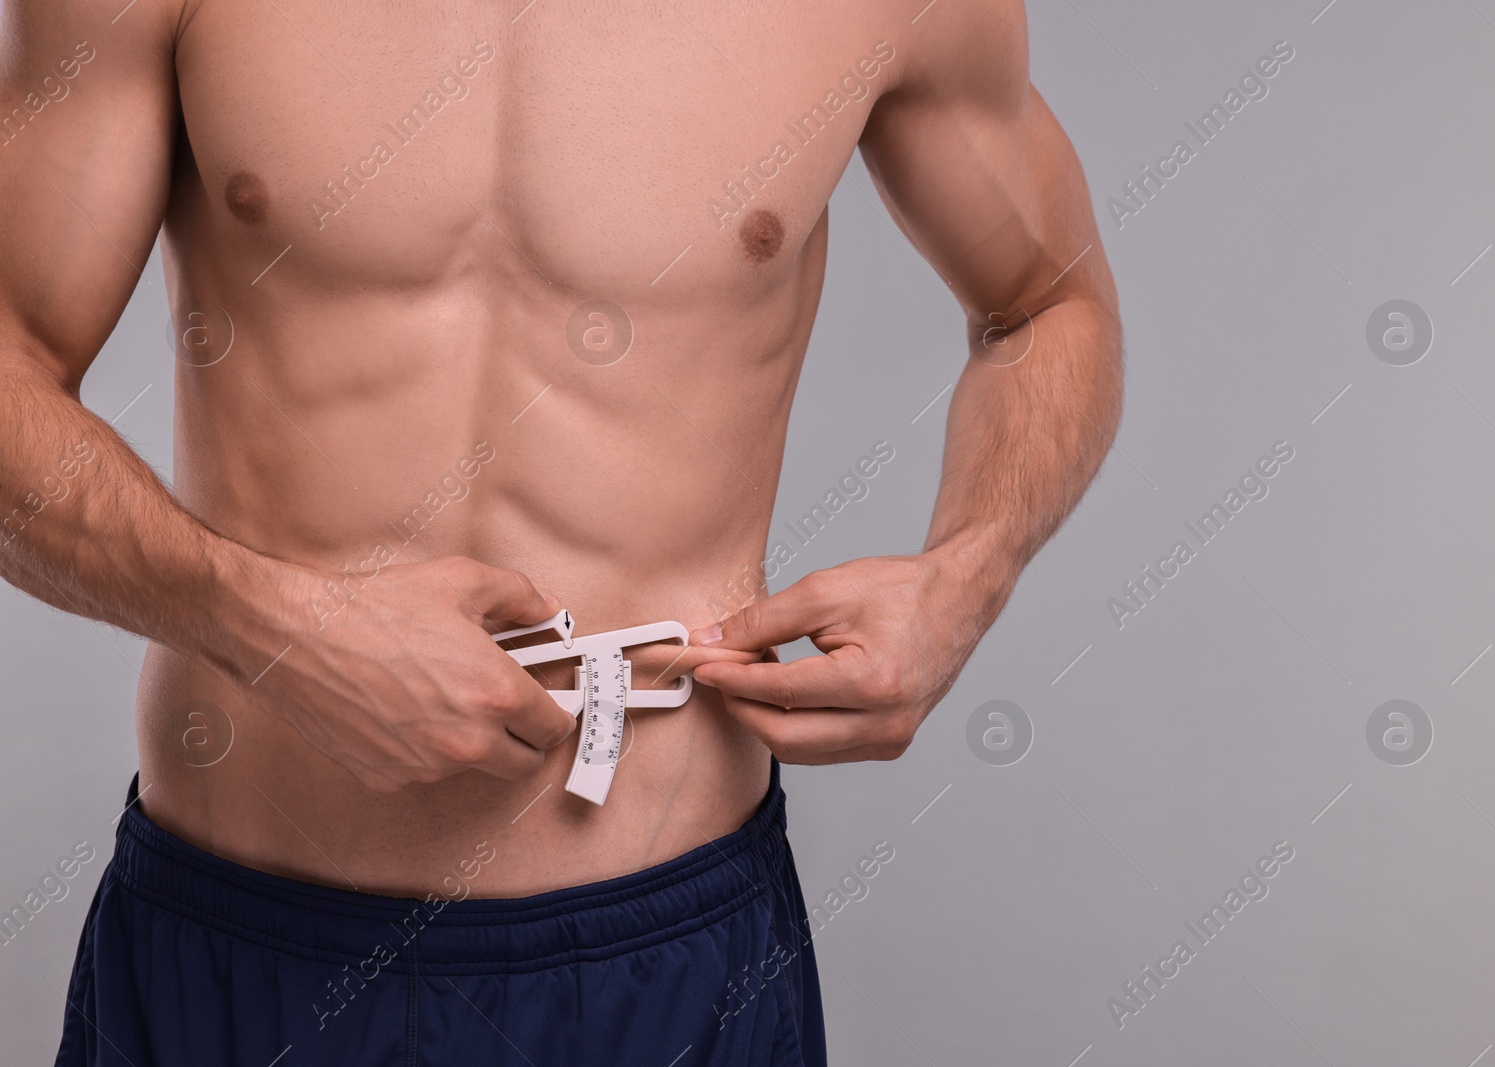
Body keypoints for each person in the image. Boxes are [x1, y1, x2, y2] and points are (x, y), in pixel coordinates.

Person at [0, 0, 1121, 1063]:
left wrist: (967, 571)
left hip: (666, 959)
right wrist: (275, 627)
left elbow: (1047, 297)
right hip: (240, 943)